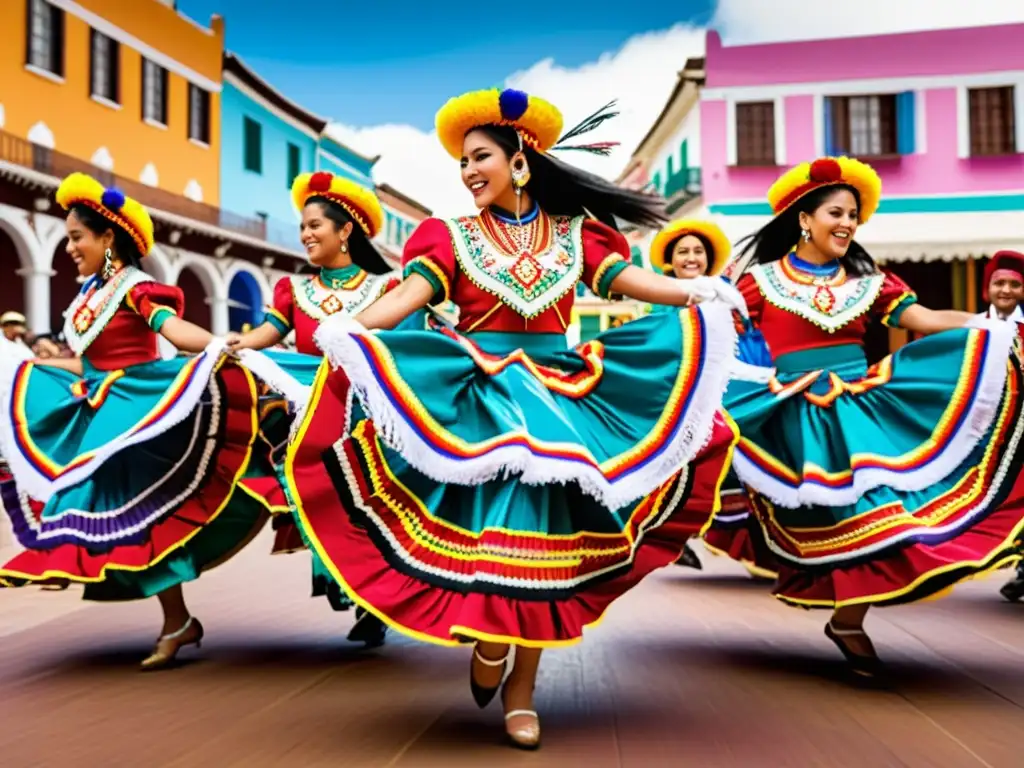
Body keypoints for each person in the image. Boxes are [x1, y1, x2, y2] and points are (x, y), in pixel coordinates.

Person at [283, 87, 745, 749]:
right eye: (463, 162)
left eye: (480, 157)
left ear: (520, 158)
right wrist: (349, 326)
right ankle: (492, 640)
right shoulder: (449, 234)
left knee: (547, 548)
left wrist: (692, 290)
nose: (468, 171)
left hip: (561, 398)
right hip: (481, 400)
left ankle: (521, 687)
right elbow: (411, 293)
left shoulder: (577, 232)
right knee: (493, 538)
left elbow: (621, 279)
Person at [724, 156, 1024, 677]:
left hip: (859, 409)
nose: (847, 224)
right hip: (791, 413)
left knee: (881, 510)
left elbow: (926, 320)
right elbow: (710, 331)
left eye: (853, 217)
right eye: (837, 213)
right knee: (815, 514)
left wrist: (993, 329)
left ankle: (848, 618)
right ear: (804, 218)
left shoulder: (872, 282)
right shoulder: (760, 281)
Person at [0, 173, 268, 670]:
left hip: (140, 411)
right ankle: (175, 620)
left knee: (134, 515)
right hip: (103, 408)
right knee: (131, 517)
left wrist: (218, 344)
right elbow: (86, 363)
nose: (69, 248)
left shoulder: (136, 287)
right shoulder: (87, 297)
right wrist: (34, 369)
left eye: (77, 237)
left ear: (108, 239)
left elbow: (171, 329)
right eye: (67, 238)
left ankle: (74, 570)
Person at [228, 171, 399, 646]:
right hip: (311, 416)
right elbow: (269, 334)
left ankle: (375, 597)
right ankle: (356, 590)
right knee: (321, 499)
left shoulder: (386, 289)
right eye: (302, 227)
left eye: (315, 226)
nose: (305, 235)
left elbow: (404, 345)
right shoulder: (293, 292)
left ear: (345, 232)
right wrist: (231, 345)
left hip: (369, 418)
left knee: (370, 505)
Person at [647, 219, 778, 578]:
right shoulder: (661, 295)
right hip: (684, 392)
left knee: (755, 459)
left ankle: (762, 544)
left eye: (698, 251)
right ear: (670, 261)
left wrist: (761, 375)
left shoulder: (727, 292)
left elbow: (746, 339)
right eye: (683, 252)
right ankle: (675, 535)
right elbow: (662, 347)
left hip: (733, 385)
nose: (691, 258)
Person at [975, 250, 1024, 601]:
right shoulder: (971, 327)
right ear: (987, 288)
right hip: (987, 432)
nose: (1006, 290)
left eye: (1015, 284)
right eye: (999, 283)